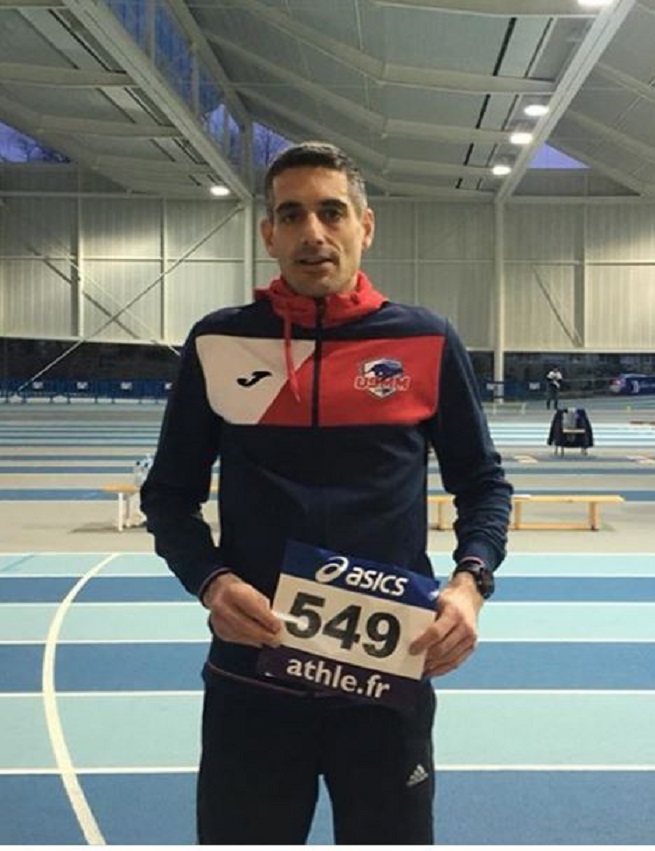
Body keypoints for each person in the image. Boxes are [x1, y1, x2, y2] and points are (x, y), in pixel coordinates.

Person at [141, 141, 513, 845]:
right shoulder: (219, 341)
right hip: (252, 679)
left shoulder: (425, 340)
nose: (313, 231)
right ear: (268, 234)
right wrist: (212, 582)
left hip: (385, 682)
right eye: (292, 214)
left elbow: (483, 483)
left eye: (331, 211)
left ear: (363, 225)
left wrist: (470, 583)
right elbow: (167, 496)